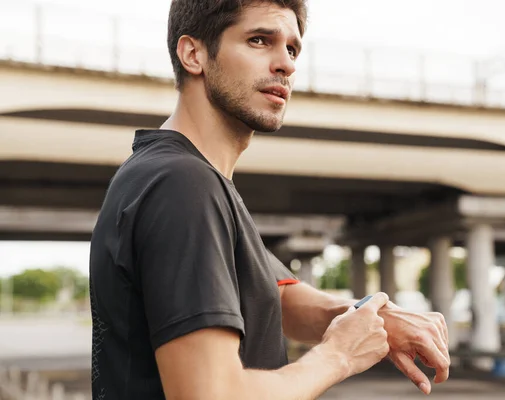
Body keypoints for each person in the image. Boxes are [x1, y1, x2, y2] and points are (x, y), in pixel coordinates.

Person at [89, 0, 451, 399]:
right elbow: (210, 394)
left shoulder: (194, 179)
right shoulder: (181, 184)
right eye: (259, 40)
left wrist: (372, 315)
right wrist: (338, 356)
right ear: (194, 54)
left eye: (293, 49)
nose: (286, 65)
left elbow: (277, 294)